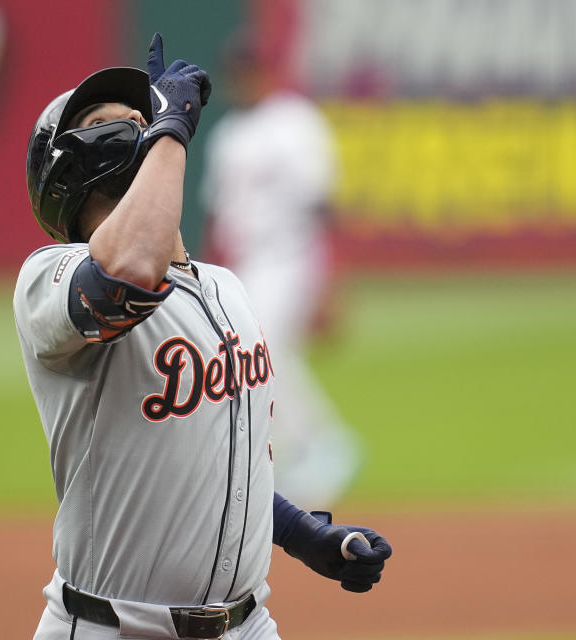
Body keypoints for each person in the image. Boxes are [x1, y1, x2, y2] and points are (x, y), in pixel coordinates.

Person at [15, 34, 392, 640]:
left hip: (247, 626)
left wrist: (304, 535)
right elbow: (127, 275)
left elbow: (226, 464)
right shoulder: (46, 279)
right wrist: (169, 133)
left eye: (146, 112)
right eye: (108, 118)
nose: (143, 118)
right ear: (71, 163)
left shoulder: (228, 290)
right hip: (110, 627)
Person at [201, 34, 360, 511]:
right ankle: (300, 450)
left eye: (249, 70)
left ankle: (325, 444)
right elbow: (219, 217)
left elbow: (322, 204)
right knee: (249, 358)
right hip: (247, 263)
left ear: (266, 71)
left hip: (293, 254)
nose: (243, 80)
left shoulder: (295, 122)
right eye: (236, 73)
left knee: (264, 349)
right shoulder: (227, 134)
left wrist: (332, 285)